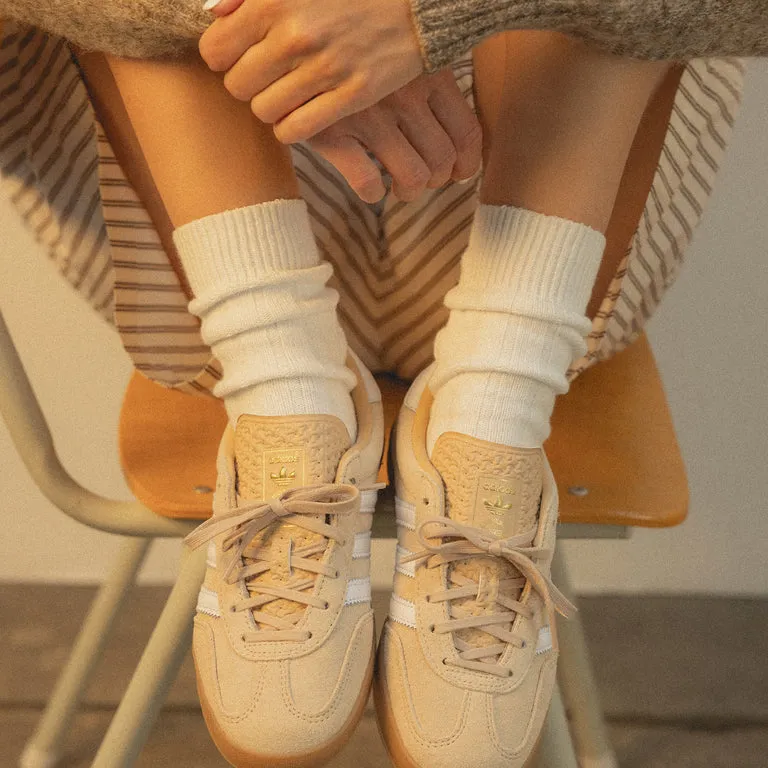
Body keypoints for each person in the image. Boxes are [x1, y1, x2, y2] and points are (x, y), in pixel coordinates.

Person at [0, 2, 757, 767]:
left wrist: (434, 17)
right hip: (205, 233)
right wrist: (254, 25)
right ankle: (287, 395)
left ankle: (493, 414)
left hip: (556, 234)